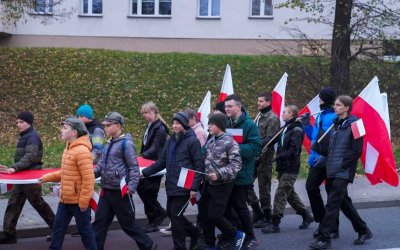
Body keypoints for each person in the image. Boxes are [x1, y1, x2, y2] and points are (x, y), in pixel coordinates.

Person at [309, 96, 372, 249]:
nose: (334, 107)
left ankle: (325, 238)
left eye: (338, 105)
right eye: (335, 105)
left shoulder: (357, 124)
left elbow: (357, 150)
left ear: (347, 107)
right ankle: (363, 230)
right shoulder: (335, 125)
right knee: (343, 203)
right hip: (332, 169)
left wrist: (344, 165)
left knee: (332, 204)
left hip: (343, 171)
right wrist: (317, 144)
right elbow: (330, 150)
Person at [92, 112, 156, 250]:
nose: (106, 128)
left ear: (118, 125)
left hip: (120, 193)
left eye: (108, 125)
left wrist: (131, 188)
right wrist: (88, 175)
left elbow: (134, 167)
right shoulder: (108, 144)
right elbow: (101, 165)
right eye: (105, 125)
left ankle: (148, 245)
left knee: (128, 225)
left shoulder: (127, 144)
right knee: (99, 222)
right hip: (106, 190)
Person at [142, 111, 204, 250]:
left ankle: (179, 247)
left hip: (185, 185)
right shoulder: (171, 141)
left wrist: (194, 187)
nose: (174, 126)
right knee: (171, 213)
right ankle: (195, 233)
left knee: (175, 216)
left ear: (184, 125)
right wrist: (144, 173)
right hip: (172, 184)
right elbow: (161, 162)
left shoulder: (192, 141)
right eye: (174, 123)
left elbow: (199, 165)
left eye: (178, 123)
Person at [40, 117, 96, 250]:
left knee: (85, 232)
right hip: (65, 200)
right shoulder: (68, 149)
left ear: (74, 133)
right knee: (57, 229)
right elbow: (65, 172)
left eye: (65, 128)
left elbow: (89, 179)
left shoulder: (82, 151)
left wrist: (83, 202)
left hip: (78, 202)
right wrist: (46, 177)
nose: (61, 130)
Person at [0, 111, 55, 244]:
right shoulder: (25, 136)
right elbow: (24, 157)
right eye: (17, 122)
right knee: (14, 203)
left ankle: (58, 229)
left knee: (39, 204)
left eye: (21, 122)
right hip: (21, 176)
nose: (18, 124)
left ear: (29, 123)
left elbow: (30, 156)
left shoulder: (32, 137)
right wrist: (12, 168)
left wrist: (15, 167)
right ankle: (9, 234)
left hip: (30, 178)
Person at [262, 105, 314, 234]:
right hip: (283, 166)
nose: (282, 114)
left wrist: (278, 157)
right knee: (290, 194)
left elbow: (293, 150)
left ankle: (275, 223)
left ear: (291, 114)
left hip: (290, 167)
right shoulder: (285, 128)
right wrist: (259, 143)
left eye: (285, 112)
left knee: (280, 193)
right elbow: (273, 140)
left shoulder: (297, 130)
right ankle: (306, 215)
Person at [300, 87, 340, 239]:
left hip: (327, 160)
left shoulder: (333, 117)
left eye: (320, 98)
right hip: (316, 159)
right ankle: (324, 223)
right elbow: (315, 138)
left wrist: (326, 156)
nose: (318, 100)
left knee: (332, 194)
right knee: (311, 187)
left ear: (325, 99)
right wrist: (306, 125)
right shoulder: (321, 115)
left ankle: (332, 228)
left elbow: (334, 141)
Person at [224, 94, 262, 249]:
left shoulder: (249, 125)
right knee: (227, 206)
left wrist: (233, 148)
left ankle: (251, 237)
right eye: (225, 106)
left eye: (230, 106)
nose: (226, 109)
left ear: (239, 107)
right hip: (227, 173)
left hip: (241, 173)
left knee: (240, 206)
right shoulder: (227, 123)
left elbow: (255, 148)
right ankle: (235, 234)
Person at [202, 113, 244, 249]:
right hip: (208, 184)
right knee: (206, 216)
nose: (208, 126)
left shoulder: (230, 142)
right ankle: (210, 245)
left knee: (215, 215)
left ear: (219, 125)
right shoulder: (211, 140)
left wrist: (219, 174)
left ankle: (236, 234)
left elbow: (236, 164)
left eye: (211, 124)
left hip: (223, 185)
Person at [247, 92, 280, 228]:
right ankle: (257, 210)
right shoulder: (258, 116)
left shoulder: (272, 118)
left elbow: (271, 139)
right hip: (254, 155)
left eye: (261, 101)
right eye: (258, 101)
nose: (258, 103)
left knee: (264, 188)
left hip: (264, 157)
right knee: (246, 184)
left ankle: (267, 216)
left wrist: (257, 151)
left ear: (268, 102)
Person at [138, 102, 168, 233]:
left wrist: (141, 157)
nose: (145, 115)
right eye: (144, 113)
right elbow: (145, 145)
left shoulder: (160, 129)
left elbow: (155, 148)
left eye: (148, 113)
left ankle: (154, 220)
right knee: (142, 189)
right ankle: (159, 213)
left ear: (154, 113)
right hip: (147, 163)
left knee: (149, 191)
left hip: (156, 165)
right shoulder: (150, 125)